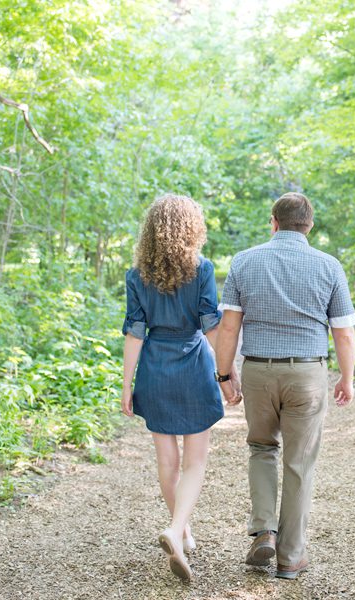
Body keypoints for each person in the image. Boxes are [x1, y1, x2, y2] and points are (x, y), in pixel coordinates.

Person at [214, 192, 355, 580]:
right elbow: (343, 333)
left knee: (261, 448)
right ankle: (290, 557)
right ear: (309, 225)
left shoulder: (244, 261)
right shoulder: (329, 267)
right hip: (307, 375)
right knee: (299, 464)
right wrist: (346, 377)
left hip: (260, 372)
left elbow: (229, 326)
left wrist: (224, 375)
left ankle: (264, 530)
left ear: (273, 222)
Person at [120, 194, 240, 583]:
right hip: (192, 367)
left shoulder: (136, 276)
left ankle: (181, 529)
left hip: (155, 370)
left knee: (167, 462)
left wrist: (127, 385)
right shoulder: (202, 269)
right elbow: (210, 325)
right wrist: (228, 372)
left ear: (150, 232)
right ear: (193, 228)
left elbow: (135, 333)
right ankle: (177, 529)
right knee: (195, 461)